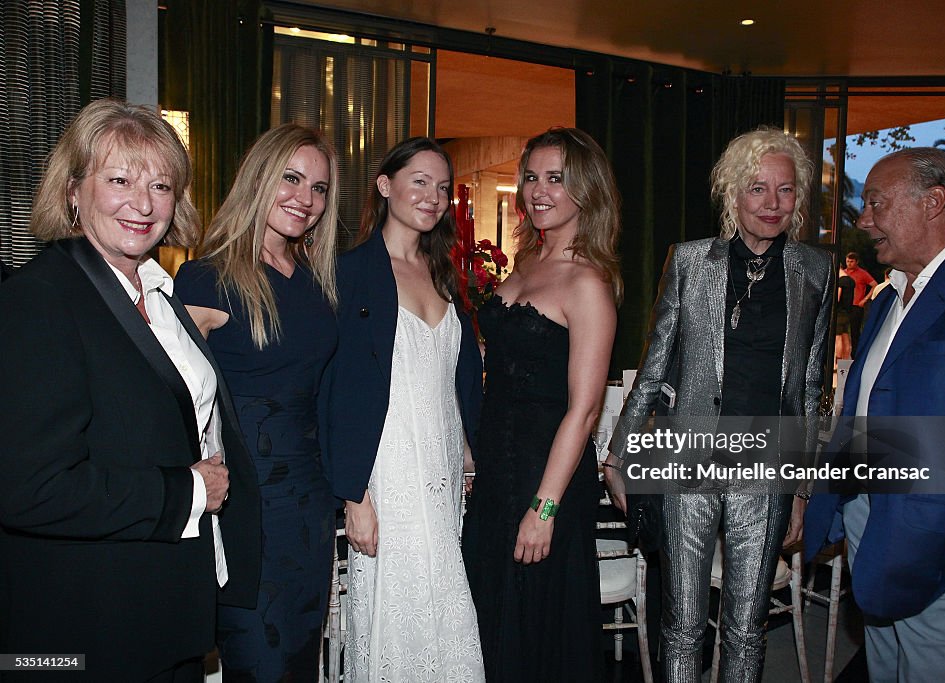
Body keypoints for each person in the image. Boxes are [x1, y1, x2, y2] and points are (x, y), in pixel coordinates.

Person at [0, 98, 259, 682]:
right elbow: (30, 489)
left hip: (162, 612)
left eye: (161, 185)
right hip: (83, 629)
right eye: (119, 179)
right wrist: (185, 493)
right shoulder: (40, 299)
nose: (143, 205)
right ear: (72, 190)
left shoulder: (157, 292)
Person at [605, 127, 832, 683]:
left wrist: (802, 488)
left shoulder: (816, 272)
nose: (772, 204)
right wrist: (618, 456)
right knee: (682, 622)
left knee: (746, 626)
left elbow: (807, 388)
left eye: (785, 190)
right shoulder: (689, 263)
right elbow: (654, 368)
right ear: (733, 194)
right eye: (758, 189)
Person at [804, 148, 945, 682]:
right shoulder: (886, 298)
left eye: (876, 203)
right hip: (874, 540)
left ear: (934, 202)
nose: (864, 219)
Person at [175, 123, 339, 681]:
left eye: (319, 188)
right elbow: (169, 398)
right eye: (291, 179)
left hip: (312, 508)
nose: (306, 199)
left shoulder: (316, 284)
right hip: (246, 508)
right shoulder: (207, 278)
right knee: (259, 665)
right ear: (258, 178)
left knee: (300, 664)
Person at [461, 127, 621, 681]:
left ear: (586, 190)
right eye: (531, 176)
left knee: (537, 625)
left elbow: (584, 410)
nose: (538, 190)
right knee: (492, 615)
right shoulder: (526, 263)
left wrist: (544, 507)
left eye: (556, 178)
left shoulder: (587, 283)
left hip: (546, 475)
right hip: (498, 472)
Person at [322, 137, 485, 681]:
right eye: (419, 181)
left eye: (442, 188)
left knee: (446, 606)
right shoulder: (350, 272)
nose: (433, 197)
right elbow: (337, 390)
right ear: (384, 185)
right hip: (386, 476)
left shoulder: (444, 274)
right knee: (399, 616)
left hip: (440, 477)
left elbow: (448, 382)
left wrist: (465, 453)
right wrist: (355, 495)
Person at [844, 251, 877, 356]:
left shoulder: (862, 273)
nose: (849, 263)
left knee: (855, 331)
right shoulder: (844, 273)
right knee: (842, 331)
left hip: (856, 305)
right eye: (848, 261)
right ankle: (844, 353)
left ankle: (855, 354)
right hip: (844, 306)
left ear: (856, 262)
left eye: (851, 261)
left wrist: (865, 299)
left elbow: (874, 284)